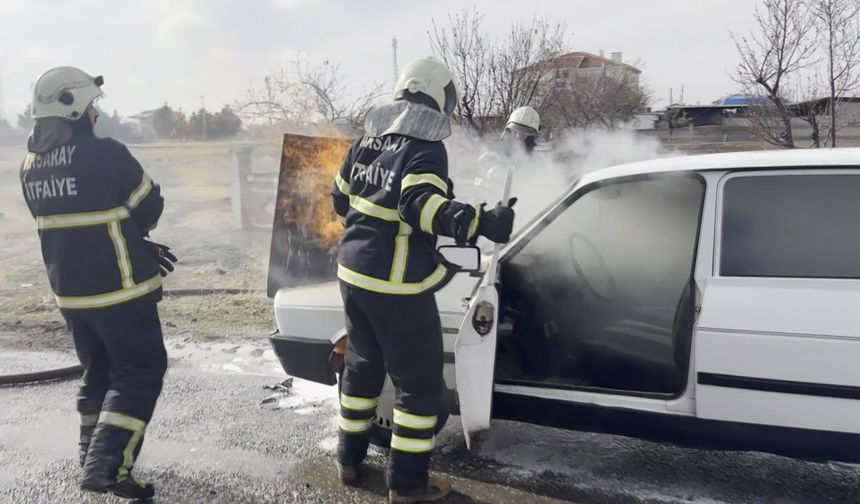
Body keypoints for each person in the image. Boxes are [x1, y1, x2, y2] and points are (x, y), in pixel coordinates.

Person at [331, 56, 515, 503]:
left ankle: (348, 461)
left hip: (352, 276)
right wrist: (483, 222)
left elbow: (340, 200)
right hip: (396, 288)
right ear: (436, 94)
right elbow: (421, 206)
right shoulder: (425, 147)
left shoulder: (367, 141)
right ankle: (408, 485)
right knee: (418, 385)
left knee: (362, 368)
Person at [19, 66, 175, 500]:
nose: (96, 116)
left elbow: (74, 225)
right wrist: (135, 238)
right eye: (91, 107)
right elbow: (149, 205)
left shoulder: (29, 165)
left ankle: (91, 455)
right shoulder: (106, 153)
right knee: (139, 373)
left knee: (99, 372)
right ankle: (108, 469)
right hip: (121, 291)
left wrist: (127, 236)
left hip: (71, 295)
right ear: (72, 111)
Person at [474, 105, 541, 203]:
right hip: (488, 202)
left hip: (519, 205)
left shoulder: (534, 158)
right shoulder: (492, 149)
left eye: (523, 133)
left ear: (531, 135)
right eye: (515, 131)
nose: (518, 135)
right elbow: (480, 175)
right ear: (508, 129)